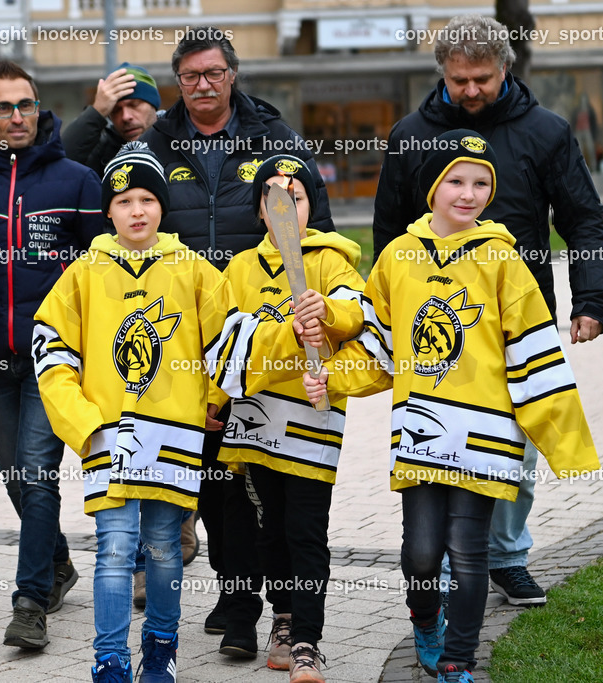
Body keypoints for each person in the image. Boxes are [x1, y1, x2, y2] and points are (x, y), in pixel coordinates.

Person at [308, 130, 601, 683]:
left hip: (486, 437)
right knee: (421, 554)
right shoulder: (397, 257)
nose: (469, 194)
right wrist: (332, 377)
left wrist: (566, 444)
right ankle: (425, 619)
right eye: (457, 181)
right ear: (432, 187)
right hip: (419, 433)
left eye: (481, 184)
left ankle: (458, 660)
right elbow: (378, 344)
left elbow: (534, 353)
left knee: (468, 554)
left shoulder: (503, 260)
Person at [372, 13, 603, 607]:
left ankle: (505, 555)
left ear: (505, 67)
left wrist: (592, 298)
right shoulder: (410, 134)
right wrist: (382, 313)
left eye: (482, 78)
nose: (471, 89)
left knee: (516, 442)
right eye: (459, 80)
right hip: (433, 327)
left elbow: (582, 217)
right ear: (442, 73)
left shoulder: (546, 131)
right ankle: (447, 561)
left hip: (517, 320)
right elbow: (388, 230)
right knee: (438, 439)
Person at [140, 25, 336, 658]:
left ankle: (272, 609)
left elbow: (316, 229)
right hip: (185, 331)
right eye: (190, 75)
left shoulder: (275, 137)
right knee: (209, 476)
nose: (203, 84)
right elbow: (120, 205)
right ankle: (235, 589)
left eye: (214, 73)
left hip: (267, 332)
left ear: (232, 75)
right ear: (177, 81)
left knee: (260, 477)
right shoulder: (154, 142)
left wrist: (321, 317)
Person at [33, 141, 235, 683]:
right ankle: (110, 659)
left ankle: (161, 647)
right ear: (109, 210)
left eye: (147, 199)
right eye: (124, 201)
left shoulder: (195, 270)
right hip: (108, 435)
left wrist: (211, 400)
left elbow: (226, 343)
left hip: (174, 433)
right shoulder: (83, 273)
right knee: (115, 549)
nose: (137, 211)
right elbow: (51, 350)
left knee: (165, 548)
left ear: (162, 206)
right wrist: (82, 423)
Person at [211, 155, 390, 681]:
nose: (286, 207)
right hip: (255, 424)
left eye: (297, 197)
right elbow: (223, 342)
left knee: (306, 532)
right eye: (273, 198)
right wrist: (213, 400)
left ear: (313, 204)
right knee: (270, 532)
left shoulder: (333, 261)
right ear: (259, 211)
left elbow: (357, 313)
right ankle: (283, 618)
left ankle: (309, 642)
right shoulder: (239, 269)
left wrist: (326, 312)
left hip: (313, 424)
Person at [0, 59, 103, 650]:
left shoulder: (77, 181)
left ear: (39, 108)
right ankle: (57, 563)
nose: (17, 116)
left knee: (37, 475)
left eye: (26, 104)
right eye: (4, 107)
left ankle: (30, 602)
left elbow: (99, 274)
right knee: (16, 475)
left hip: (52, 357)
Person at [62, 62, 161, 177]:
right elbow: (62, 164)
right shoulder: (102, 151)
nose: (125, 117)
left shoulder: (174, 138)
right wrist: (97, 111)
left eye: (134, 105)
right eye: (116, 110)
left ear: (153, 106)